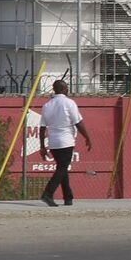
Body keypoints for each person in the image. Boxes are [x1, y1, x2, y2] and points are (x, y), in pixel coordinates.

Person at [38, 78, 92, 207]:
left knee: (62, 168)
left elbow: (42, 128)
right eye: (67, 88)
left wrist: (42, 147)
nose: (68, 90)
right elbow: (77, 122)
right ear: (63, 89)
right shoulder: (69, 103)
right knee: (62, 168)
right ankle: (48, 193)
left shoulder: (47, 105)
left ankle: (68, 197)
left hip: (53, 143)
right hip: (66, 141)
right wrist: (87, 137)